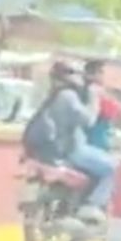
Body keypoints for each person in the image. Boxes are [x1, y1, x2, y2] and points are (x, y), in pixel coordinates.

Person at [42, 64, 114, 222]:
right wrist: (94, 99)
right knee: (115, 168)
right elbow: (88, 120)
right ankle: (93, 205)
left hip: (51, 150)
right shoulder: (68, 96)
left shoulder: (50, 96)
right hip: (72, 149)